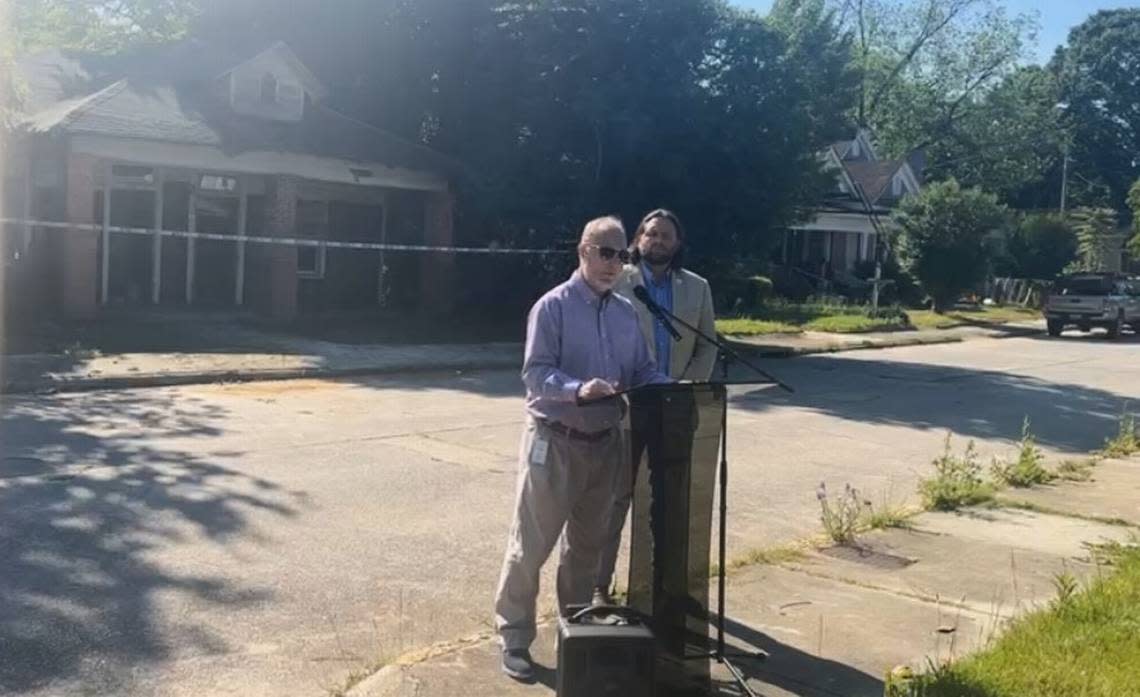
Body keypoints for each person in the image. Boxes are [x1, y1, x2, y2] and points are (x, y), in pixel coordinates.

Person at [493, 215, 669, 682]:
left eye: (622, 255)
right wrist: (577, 389)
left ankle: (574, 634)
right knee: (530, 546)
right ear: (583, 251)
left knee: (587, 551)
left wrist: (670, 388)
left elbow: (642, 371)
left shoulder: (627, 313)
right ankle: (514, 638)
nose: (615, 264)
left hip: (606, 444)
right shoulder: (552, 307)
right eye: (605, 252)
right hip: (556, 442)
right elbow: (535, 375)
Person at [596, 208, 717, 602]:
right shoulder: (619, 282)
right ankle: (600, 584)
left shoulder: (697, 287)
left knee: (670, 501)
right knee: (616, 498)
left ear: (677, 243)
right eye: (651, 234)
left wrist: (686, 387)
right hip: (628, 407)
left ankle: (664, 585)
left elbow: (706, 346)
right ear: (637, 240)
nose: (658, 241)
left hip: (676, 407)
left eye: (666, 236)